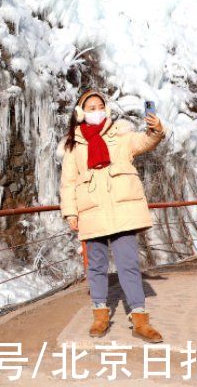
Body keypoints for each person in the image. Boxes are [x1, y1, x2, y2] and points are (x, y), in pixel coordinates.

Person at [57, 88, 166, 342]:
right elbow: (68, 182)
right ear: (81, 113)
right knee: (96, 266)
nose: (96, 111)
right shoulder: (74, 144)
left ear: (106, 110)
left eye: (99, 107)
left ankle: (140, 319)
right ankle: (100, 315)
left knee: (128, 264)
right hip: (92, 211)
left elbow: (147, 141)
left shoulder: (121, 135)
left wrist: (156, 128)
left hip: (122, 210)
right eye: (90, 108)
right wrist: (70, 213)